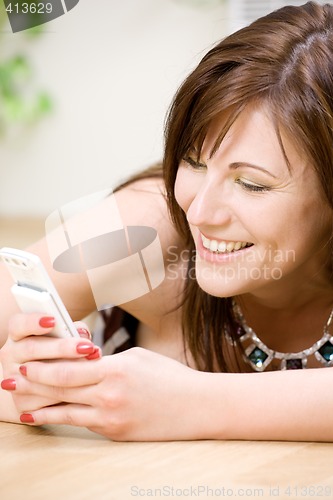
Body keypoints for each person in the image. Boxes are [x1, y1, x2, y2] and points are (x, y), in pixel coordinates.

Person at [1, 0, 333, 441]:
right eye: (193, 162)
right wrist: (27, 389)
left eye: (252, 184)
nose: (198, 213)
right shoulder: (145, 228)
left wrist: (193, 404)